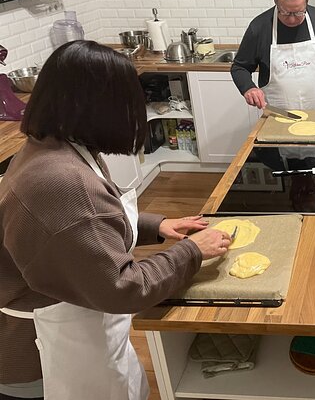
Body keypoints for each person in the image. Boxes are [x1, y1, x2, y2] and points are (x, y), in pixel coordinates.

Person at [0, 41, 232, 400]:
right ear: (102, 107)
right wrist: (191, 252)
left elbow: (84, 232)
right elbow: (123, 288)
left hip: (81, 325)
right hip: (42, 359)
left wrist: (156, 226)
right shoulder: (60, 183)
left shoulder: (55, 146)